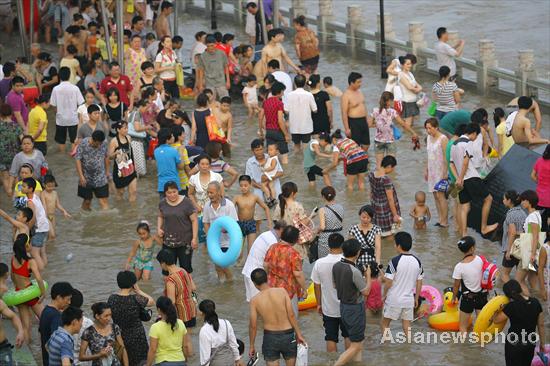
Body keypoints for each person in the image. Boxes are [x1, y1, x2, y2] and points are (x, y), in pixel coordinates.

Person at [450, 123, 499, 236]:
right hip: (471, 177)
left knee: (465, 206)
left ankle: (464, 233)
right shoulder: (468, 143)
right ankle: (484, 227)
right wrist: (462, 178)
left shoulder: (454, 144)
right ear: (473, 133)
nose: (476, 138)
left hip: (461, 180)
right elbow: (466, 162)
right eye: (476, 135)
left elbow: (451, 164)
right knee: (488, 199)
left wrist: (458, 179)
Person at [249, 268, 306, 365]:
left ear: (254, 283)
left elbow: (253, 326)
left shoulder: (254, 301)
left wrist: (251, 345)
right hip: (288, 335)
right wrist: (299, 334)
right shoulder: (282, 291)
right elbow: (291, 315)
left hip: (270, 337)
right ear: (267, 278)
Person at [331, 239, 371, 366]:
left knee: (358, 342)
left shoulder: (336, 266)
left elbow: (334, 285)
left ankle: (357, 363)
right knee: (356, 344)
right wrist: (368, 276)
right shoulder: (354, 271)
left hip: (343, 307)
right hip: (355, 309)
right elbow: (366, 292)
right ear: (358, 253)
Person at [492, 279, 546, 366]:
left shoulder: (511, 306)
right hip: (530, 342)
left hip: (514, 343)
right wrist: (542, 344)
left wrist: (497, 309)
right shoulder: (536, 302)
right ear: (520, 288)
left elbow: (496, 320)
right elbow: (541, 325)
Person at [311, 233, 349, 352]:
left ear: (328, 245)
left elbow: (316, 285)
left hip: (328, 308)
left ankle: (332, 362)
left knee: (330, 337)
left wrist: (318, 304)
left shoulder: (319, 263)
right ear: (343, 245)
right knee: (348, 335)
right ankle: (349, 361)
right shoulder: (347, 261)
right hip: (346, 306)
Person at [108, 271, 154, 366]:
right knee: (141, 362)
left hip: (120, 336)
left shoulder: (112, 299)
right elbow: (151, 301)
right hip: (137, 337)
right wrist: (138, 291)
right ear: (133, 284)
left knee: (124, 362)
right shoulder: (136, 299)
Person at [381, 232, 423, 334]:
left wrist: (384, 295)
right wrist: (416, 298)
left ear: (398, 245)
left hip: (394, 299)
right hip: (408, 300)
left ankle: (386, 347)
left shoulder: (394, 261)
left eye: (395, 243)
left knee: (385, 324)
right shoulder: (417, 261)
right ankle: (408, 346)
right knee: (407, 325)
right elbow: (419, 282)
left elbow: (388, 282)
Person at [156, 249, 196, 356]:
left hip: (181, 312)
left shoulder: (170, 279)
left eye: (160, 263)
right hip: (191, 309)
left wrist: (163, 316)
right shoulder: (183, 271)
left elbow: (171, 301)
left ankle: (186, 362)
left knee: (183, 342)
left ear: (163, 262)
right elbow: (193, 287)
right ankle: (191, 360)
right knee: (188, 339)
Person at [264, 226, 307, 317]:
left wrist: (269, 277)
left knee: (274, 316)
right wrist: (304, 289)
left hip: (271, 288)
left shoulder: (272, 247)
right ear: (295, 240)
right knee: (291, 317)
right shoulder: (293, 253)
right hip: (287, 290)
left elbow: (266, 265)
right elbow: (298, 274)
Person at [11, 233, 46, 343]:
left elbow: (12, 276)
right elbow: (39, 279)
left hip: (19, 294)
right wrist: (43, 293)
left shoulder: (13, 259)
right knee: (45, 319)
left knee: (26, 326)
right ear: (26, 246)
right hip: (30, 294)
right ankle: (46, 344)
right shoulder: (30, 261)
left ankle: (27, 346)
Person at [158, 181, 199, 274]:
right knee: (167, 270)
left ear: (178, 191)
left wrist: (194, 238)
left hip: (185, 242)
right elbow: (160, 216)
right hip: (168, 242)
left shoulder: (187, 202)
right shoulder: (162, 203)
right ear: (165, 193)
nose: (172, 195)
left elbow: (194, 220)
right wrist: (159, 228)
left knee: (185, 269)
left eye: (174, 192)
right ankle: (170, 287)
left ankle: (188, 288)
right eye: (169, 193)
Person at [203, 182, 239, 282]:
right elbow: (206, 222)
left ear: (219, 192)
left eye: (212, 192)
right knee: (217, 266)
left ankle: (231, 283)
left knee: (223, 265)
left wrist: (226, 229)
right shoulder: (207, 206)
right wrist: (209, 236)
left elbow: (234, 224)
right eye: (208, 193)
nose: (209, 195)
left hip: (227, 241)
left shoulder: (229, 205)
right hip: (214, 242)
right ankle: (222, 285)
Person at [451, 236, 488, 333]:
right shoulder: (480, 259)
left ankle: (463, 347)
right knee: (482, 326)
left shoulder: (459, 267)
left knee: (463, 327)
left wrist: (454, 297)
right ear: (472, 248)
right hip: (482, 297)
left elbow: (456, 286)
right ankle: (480, 346)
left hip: (468, 299)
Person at [372, 91, 417, 168]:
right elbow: (403, 124)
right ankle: (389, 180)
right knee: (390, 166)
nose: (393, 102)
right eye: (392, 100)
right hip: (390, 141)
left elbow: (370, 124)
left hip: (378, 141)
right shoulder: (392, 112)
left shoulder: (375, 111)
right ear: (389, 101)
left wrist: (380, 125)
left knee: (379, 166)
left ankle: (378, 179)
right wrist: (413, 133)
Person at [245, 139, 283, 231]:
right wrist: (262, 187)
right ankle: (258, 238)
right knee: (257, 219)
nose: (259, 152)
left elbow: (281, 172)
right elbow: (250, 180)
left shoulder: (271, 157)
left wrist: (270, 178)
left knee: (277, 219)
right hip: (258, 195)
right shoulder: (250, 162)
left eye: (261, 149)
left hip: (275, 192)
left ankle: (278, 240)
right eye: (257, 150)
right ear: (252, 151)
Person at [234, 175, 272, 256]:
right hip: (240, 225)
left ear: (250, 185)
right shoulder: (237, 198)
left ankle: (249, 268)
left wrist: (269, 223)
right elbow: (229, 210)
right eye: (241, 186)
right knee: (238, 253)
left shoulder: (255, 197)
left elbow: (266, 208)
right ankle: (238, 267)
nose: (243, 188)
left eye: (245, 185)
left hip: (251, 224)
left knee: (251, 252)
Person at [40, 282, 75, 366]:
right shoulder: (56, 316)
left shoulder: (45, 310)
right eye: (68, 299)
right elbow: (58, 342)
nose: (69, 302)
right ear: (59, 297)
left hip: (46, 359)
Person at [146, 296, 189, 366]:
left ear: (159, 310)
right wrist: (185, 360)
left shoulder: (155, 327)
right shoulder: (180, 323)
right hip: (181, 361)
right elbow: (185, 346)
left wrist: (148, 365)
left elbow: (152, 350)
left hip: (163, 362)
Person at [50, 66, 84, 153]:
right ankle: (73, 155)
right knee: (73, 139)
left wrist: (56, 113)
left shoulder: (56, 89)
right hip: (73, 118)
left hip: (60, 118)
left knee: (61, 140)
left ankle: (62, 155)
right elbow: (81, 104)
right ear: (69, 76)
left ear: (59, 76)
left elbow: (53, 105)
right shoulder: (75, 88)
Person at [198, 299, 242, 366]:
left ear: (201, 313)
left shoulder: (204, 330)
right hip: (230, 360)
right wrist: (237, 359)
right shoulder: (226, 322)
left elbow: (205, 357)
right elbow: (233, 344)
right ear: (214, 309)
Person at [75, 130, 109, 211]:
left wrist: (107, 172)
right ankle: (85, 218)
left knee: (103, 201)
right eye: (98, 144)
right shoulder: (83, 143)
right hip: (86, 177)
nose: (99, 145)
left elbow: (106, 157)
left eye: (101, 143)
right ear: (93, 140)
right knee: (87, 201)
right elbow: (77, 159)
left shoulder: (103, 143)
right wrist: (81, 176)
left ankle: (107, 220)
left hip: (100, 177)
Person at [425, 118, 449, 227]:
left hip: (440, 169)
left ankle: (445, 221)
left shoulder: (443, 139)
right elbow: (428, 155)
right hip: (432, 169)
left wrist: (445, 172)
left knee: (441, 195)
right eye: (426, 128)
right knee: (435, 195)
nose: (428, 131)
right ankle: (440, 218)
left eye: (430, 128)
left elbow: (446, 157)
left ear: (436, 127)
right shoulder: (429, 138)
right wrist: (426, 169)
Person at [368, 156, 401, 237]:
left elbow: (371, 192)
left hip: (375, 206)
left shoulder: (371, 174)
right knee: (390, 234)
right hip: (386, 210)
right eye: (393, 168)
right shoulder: (386, 180)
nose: (392, 170)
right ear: (389, 166)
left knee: (379, 232)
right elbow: (390, 199)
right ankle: (389, 248)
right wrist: (395, 215)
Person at [500, 190, 528, 283]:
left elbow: (512, 233)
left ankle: (513, 294)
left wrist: (508, 251)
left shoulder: (510, 214)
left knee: (504, 274)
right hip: (522, 248)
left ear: (509, 201)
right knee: (520, 279)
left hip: (512, 248)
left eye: (504, 199)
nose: (503, 200)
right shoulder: (523, 213)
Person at [259, 82, 290, 164]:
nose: (283, 94)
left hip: (268, 132)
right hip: (278, 131)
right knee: (285, 158)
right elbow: (280, 121)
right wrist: (286, 134)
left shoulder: (265, 102)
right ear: (279, 92)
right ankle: (286, 175)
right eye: (283, 92)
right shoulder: (279, 103)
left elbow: (260, 117)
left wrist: (261, 131)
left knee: (272, 157)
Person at [0, 262, 25, 363]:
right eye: (3, 282)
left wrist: (20, 331)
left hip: (2, 348)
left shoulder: (0, 303)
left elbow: (13, 316)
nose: (6, 288)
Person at [22, 178, 50, 268]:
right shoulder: (35, 196)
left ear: (30, 189)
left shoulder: (30, 202)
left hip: (39, 229)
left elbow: (33, 219)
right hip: (45, 227)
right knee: (42, 251)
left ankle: (41, 273)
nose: (21, 188)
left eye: (24, 186)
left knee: (34, 253)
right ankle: (46, 270)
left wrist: (27, 229)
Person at [285, 74, 317, 152]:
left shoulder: (289, 95)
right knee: (306, 147)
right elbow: (315, 110)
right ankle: (304, 163)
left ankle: (296, 162)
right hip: (306, 126)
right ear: (304, 83)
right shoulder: (309, 95)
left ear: (295, 83)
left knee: (296, 146)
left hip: (294, 126)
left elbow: (286, 111)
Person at [108, 121, 137, 201]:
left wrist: (135, 167)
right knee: (120, 193)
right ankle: (121, 210)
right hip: (120, 171)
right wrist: (116, 153)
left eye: (127, 128)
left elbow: (131, 154)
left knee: (133, 191)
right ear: (118, 130)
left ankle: (132, 212)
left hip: (130, 168)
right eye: (124, 128)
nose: (126, 130)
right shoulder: (114, 141)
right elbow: (110, 157)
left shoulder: (129, 138)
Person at [341, 72, 371, 151]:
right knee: (355, 146)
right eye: (358, 82)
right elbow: (344, 113)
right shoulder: (346, 95)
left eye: (360, 82)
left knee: (366, 144)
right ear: (351, 83)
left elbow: (364, 106)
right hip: (354, 122)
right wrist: (347, 128)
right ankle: (356, 160)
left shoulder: (360, 92)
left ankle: (362, 159)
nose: (360, 84)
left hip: (363, 121)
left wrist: (367, 119)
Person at [196, 35, 230, 99]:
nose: (210, 48)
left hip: (221, 82)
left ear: (215, 44)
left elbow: (226, 67)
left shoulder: (222, 53)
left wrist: (228, 81)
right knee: (210, 101)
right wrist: (200, 85)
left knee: (225, 100)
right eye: (208, 46)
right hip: (209, 83)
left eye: (212, 45)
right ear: (206, 45)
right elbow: (201, 70)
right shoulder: (203, 56)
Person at [0, 104, 23, 196]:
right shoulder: (16, 126)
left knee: (5, 177)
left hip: (1, 156)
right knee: (16, 176)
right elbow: (22, 140)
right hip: (15, 155)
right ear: (11, 114)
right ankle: (18, 197)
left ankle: (9, 195)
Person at [41, 174, 71, 240]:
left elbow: (57, 205)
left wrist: (64, 211)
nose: (51, 188)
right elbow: (44, 205)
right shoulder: (43, 193)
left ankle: (51, 248)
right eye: (49, 186)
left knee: (52, 235)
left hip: (53, 216)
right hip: (46, 216)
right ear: (44, 185)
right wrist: (45, 217)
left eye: (53, 186)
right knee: (52, 235)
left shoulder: (55, 193)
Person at [317, 186, 344, 258]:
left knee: (324, 261)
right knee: (338, 259)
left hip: (326, 239)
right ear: (334, 195)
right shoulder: (341, 207)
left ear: (323, 197)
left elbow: (322, 227)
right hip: (339, 236)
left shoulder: (322, 210)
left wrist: (316, 230)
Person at [398, 56, 423, 127]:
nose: (410, 66)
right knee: (408, 124)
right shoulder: (401, 74)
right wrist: (418, 89)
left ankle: (408, 137)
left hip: (414, 101)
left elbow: (418, 85)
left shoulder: (410, 74)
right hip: (407, 102)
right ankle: (407, 136)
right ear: (402, 65)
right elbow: (409, 87)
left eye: (410, 64)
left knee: (412, 124)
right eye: (408, 64)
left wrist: (418, 89)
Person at [531, 144, 550, 232]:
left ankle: (533, 235)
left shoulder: (539, 160)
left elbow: (532, 175)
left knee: (535, 217)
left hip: (539, 195)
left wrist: (540, 183)